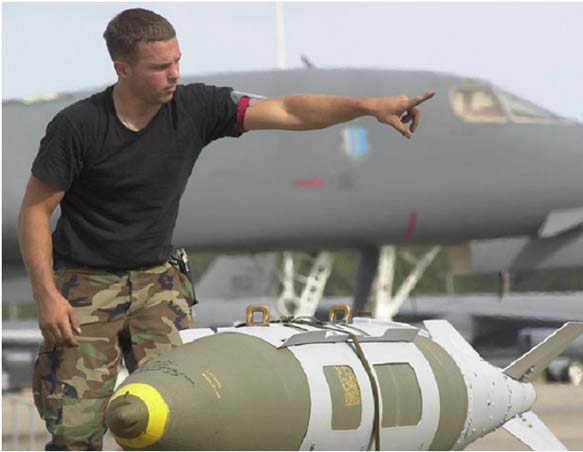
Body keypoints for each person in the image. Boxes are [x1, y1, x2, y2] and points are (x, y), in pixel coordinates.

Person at [17, 7, 435, 451]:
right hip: (85, 285)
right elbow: (35, 212)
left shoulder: (197, 106)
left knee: (181, 420)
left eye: (177, 61)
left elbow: (290, 110)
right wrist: (48, 296)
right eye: (160, 67)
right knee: (76, 433)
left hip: (158, 284)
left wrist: (366, 107)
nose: (174, 74)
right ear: (122, 69)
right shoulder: (78, 127)